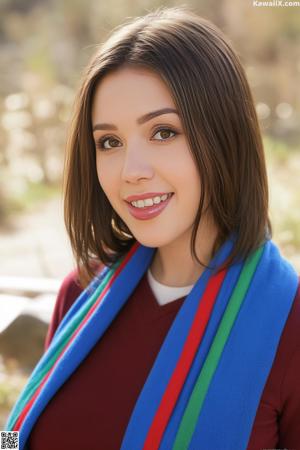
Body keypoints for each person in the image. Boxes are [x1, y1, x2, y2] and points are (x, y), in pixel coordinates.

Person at [6, 6, 300, 450]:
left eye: (163, 132)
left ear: (225, 135)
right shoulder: (81, 292)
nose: (131, 171)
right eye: (109, 142)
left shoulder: (290, 325)